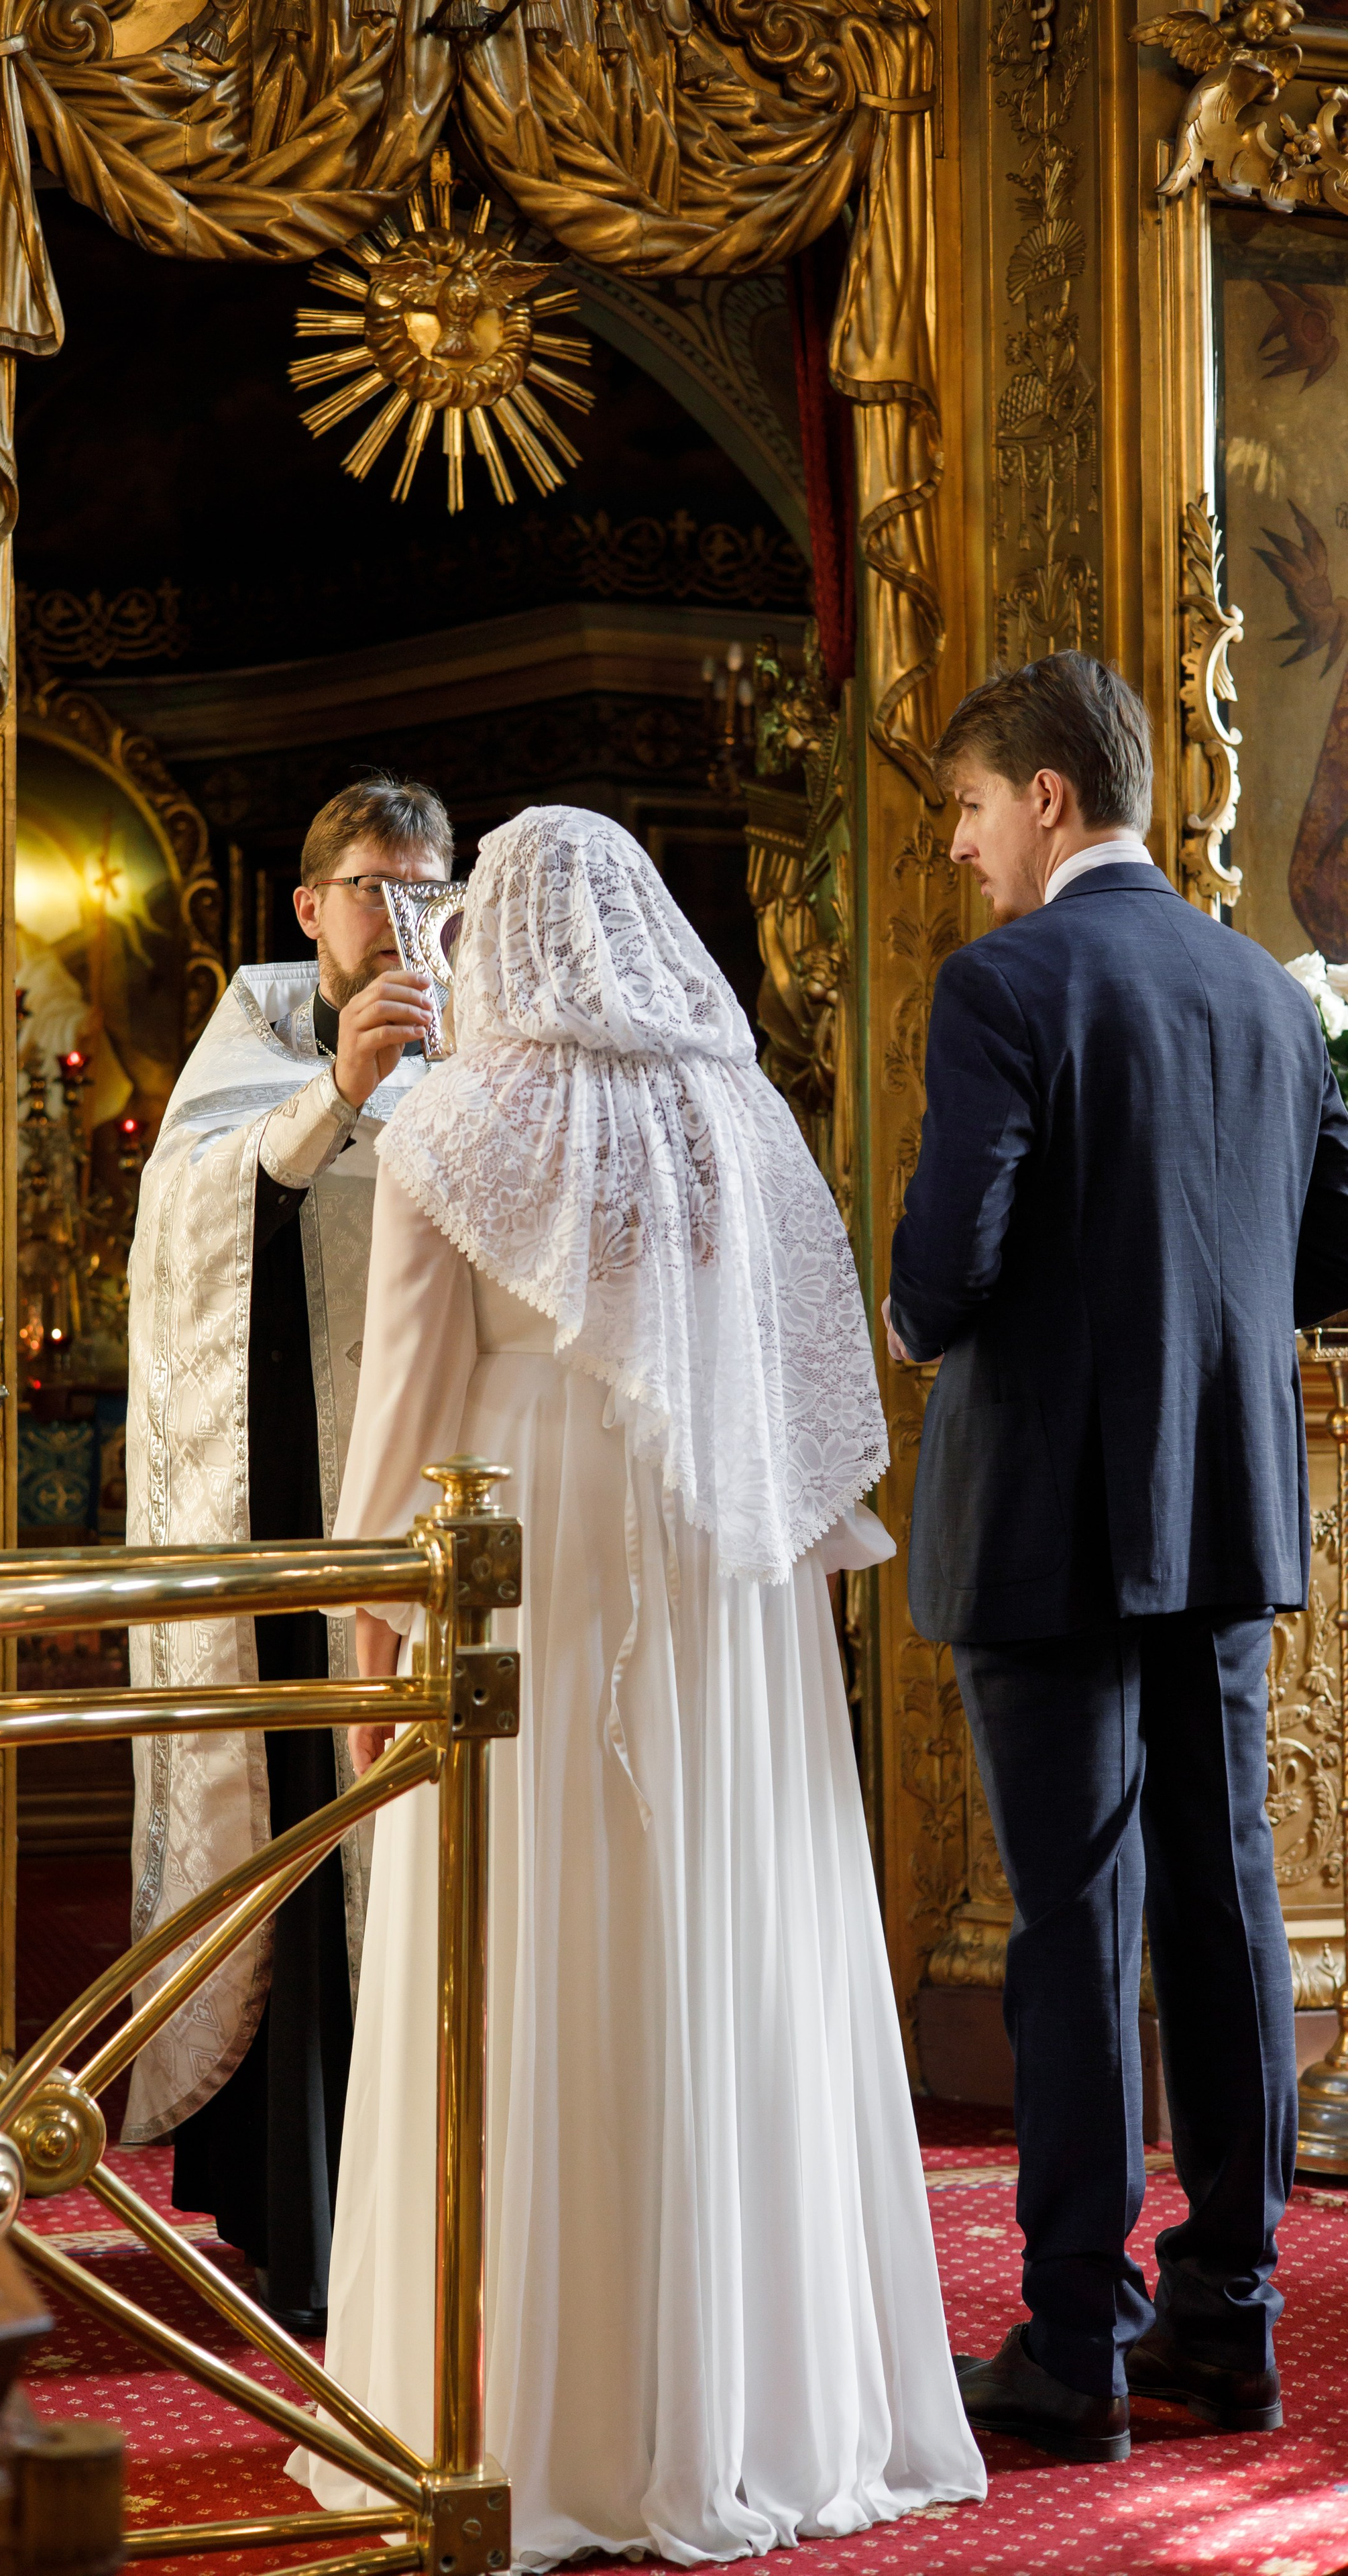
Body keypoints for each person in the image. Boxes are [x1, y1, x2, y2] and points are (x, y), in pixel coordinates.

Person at [294, 805, 987, 2563]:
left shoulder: (454, 1121)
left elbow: (398, 1417)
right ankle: (752, 2397)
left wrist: (370, 1639)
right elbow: (795, 1378)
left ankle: (524, 2409)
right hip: (714, 1563)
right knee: (716, 1920)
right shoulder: (745, 1117)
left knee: (531, 1932)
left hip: (527, 1529)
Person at [885, 651, 1348, 2463]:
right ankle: (1229, 2319)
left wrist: (923, 1323)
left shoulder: (1005, 982)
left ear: (1050, 799)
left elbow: (945, 1261)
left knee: (1074, 1922)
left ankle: (1076, 2342)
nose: (961, 851)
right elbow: (1331, 1249)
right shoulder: (1262, 990)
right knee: (1224, 1904)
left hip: (1044, 1523)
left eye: (969, 811)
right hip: (1222, 1505)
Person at [123, 775, 449, 2332]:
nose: (404, 917)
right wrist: (338, 1098)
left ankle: (439, 2200)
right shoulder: (248, 1047)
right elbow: (190, 1222)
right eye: (375, 887)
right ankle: (302, 2215)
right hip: (291, 1523)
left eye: (428, 886)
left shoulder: (483, 1038)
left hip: (434, 1520)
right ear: (311, 906)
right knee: (309, 1835)